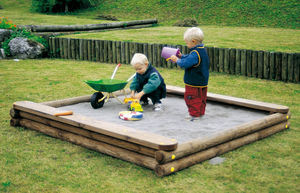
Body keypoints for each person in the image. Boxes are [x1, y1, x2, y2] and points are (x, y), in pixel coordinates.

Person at [170, 27, 209, 121]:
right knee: (201, 98)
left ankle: (194, 116)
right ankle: (200, 113)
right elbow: (189, 58)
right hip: (202, 81)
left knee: (192, 98)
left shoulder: (195, 53)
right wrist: (181, 56)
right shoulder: (201, 50)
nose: (186, 44)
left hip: (193, 83)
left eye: (187, 43)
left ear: (193, 41)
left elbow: (185, 63)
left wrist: (177, 60)